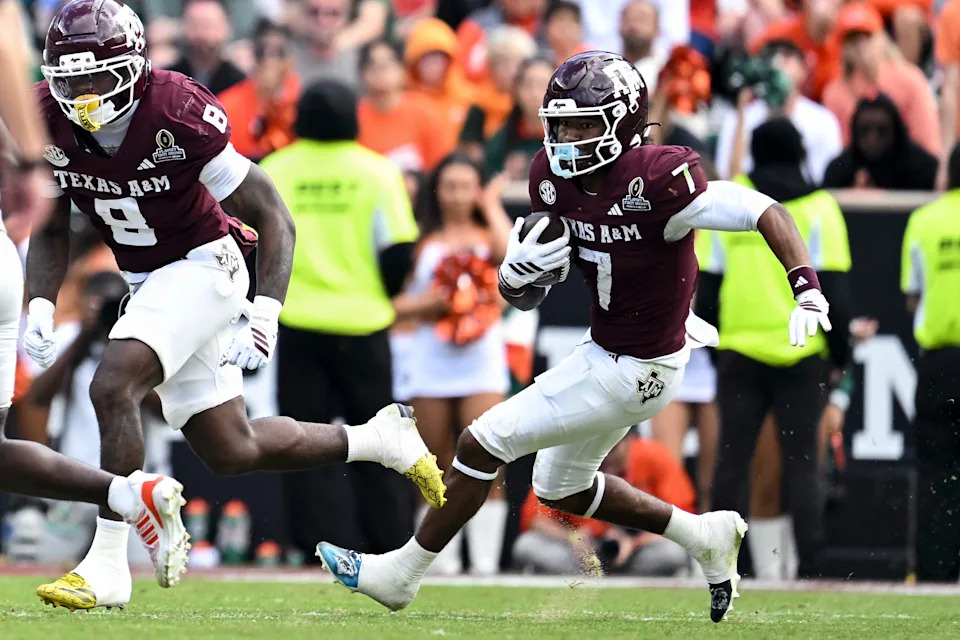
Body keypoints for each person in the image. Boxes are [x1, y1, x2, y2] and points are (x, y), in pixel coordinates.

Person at [317, 51, 834, 623]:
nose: (568, 136)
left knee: (480, 443)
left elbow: (762, 209)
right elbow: (530, 294)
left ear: (624, 120)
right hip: (608, 353)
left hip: (641, 365)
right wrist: (513, 278)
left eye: (585, 122)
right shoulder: (550, 177)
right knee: (560, 487)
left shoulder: (659, 176)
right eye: (560, 123)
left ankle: (402, 573)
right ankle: (704, 536)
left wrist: (804, 285)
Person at [25, 0, 445, 610]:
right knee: (231, 449)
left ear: (132, 66)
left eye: (97, 77)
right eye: (73, 80)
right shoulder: (46, 116)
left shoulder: (175, 109)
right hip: (148, 279)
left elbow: (272, 212)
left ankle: (107, 563)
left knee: (112, 386)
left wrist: (267, 307)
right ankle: (378, 440)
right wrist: (41, 299)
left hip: (204, 266)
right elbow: (55, 225)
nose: (85, 95)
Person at [0, 0, 189, 605]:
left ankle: (124, 498)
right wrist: (32, 165)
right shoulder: (38, 107)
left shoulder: (171, 106)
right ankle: (126, 494)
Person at [260, 80, 427, 558]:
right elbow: (398, 251)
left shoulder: (276, 169)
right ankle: (390, 546)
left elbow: (252, 239)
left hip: (297, 324)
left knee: (300, 443)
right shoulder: (377, 172)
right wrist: (381, 293)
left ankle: (316, 547)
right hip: (364, 325)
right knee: (381, 443)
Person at [695, 117, 852, 578]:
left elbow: (707, 287)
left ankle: (719, 563)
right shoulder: (821, 206)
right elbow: (836, 292)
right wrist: (839, 355)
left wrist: (719, 346)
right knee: (804, 464)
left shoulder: (733, 199)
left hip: (740, 350)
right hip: (802, 353)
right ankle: (813, 566)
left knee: (731, 463)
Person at [393, 154, 512, 574]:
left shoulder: (488, 235)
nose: (458, 195)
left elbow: (509, 257)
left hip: (481, 360)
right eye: (450, 186)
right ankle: (436, 561)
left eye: (467, 186)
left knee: (486, 455)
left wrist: (493, 203)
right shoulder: (419, 241)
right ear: (436, 191)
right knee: (432, 460)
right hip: (430, 360)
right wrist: (434, 304)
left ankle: (484, 564)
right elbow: (393, 306)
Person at [901, 142, 960, 582]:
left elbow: (912, 297)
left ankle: (937, 572)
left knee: (936, 472)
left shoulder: (924, 221)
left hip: (940, 363)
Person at [514, 432, 695, 576]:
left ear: (629, 440)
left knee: (672, 552)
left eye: (613, 448)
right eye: (596, 449)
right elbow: (535, 518)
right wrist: (571, 537)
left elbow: (684, 517)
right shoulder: (568, 458)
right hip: (582, 551)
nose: (605, 456)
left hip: (635, 551)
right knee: (528, 545)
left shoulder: (653, 455)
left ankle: (617, 580)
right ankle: (590, 578)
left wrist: (635, 542)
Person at [820, 1, 939, 159]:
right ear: (843, 48)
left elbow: (928, 145)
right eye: (852, 41)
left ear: (881, 39)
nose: (861, 47)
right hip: (859, 175)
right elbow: (840, 153)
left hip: (906, 173)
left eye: (867, 37)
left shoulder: (909, 79)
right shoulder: (835, 92)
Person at [715, 39, 842, 184]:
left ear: (804, 70)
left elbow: (827, 179)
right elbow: (727, 179)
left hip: (804, 200)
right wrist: (741, 113)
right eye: (770, 57)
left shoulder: (823, 120)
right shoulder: (737, 118)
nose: (778, 63)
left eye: (787, 58)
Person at [357, 39, 454, 173]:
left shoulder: (423, 111)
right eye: (373, 65)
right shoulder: (354, 117)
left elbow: (442, 165)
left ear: (403, 70)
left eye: (388, 64)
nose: (381, 71)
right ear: (362, 74)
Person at [217, 20, 301, 163]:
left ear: (290, 59)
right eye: (261, 50)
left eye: (278, 52)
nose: (268, 58)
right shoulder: (226, 104)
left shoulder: (303, 103)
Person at [822, 93, 938, 191]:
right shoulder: (839, 171)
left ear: (895, 132)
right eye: (864, 131)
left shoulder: (924, 169)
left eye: (881, 131)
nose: (872, 138)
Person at [458, 25, 538, 160]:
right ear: (490, 66)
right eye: (501, 63)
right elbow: (469, 148)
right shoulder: (480, 103)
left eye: (515, 63)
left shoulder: (529, 102)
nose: (509, 70)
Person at [484, 56, 555, 178]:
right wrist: (506, 174)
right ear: (516, 90)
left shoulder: (569, 138)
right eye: (528, 85)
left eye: (543, 85)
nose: (535, 93)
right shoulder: (500, 140)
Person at [168, 0, 246, 96]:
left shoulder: (239, 84)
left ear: (225, 28)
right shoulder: (169, 80)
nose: (201, 35)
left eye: (208, 26)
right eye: (194, 26)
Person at [291, 0, 361, 89]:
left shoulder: (361, 64)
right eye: (314, 12)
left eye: (333, 13)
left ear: (345, 17)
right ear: (302, 15)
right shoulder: (284, 58)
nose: (322, 21)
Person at [619, 0, 667, 93]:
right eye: (629, 19)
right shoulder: (604, 68)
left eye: (642, 19)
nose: (634, 26)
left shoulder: (667, 72)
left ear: (657, 27)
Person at [544, 1, 591, 67]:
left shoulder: (591, 58)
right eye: (560, 20)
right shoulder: (540, 56)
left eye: (572, 20)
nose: (566, 27)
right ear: (547, 26)